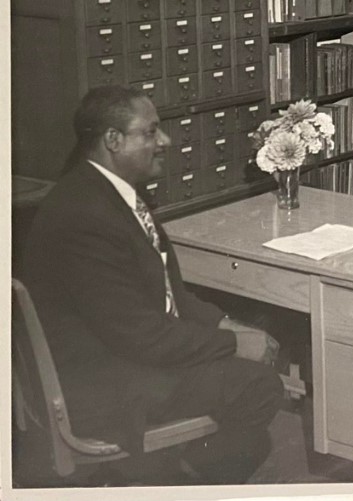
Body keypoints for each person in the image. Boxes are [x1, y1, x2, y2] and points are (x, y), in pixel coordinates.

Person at [20, 86, 284, 485]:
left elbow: (168, 294)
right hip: (100, 383)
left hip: (116, 355)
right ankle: (184, 484)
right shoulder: (85, 216)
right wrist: (232, 344)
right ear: (113, 140)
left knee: (250, 360)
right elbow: (139, 333)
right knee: (259, 387)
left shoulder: (108, 194)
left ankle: (178, 474)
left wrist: (227, 325)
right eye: (150, 132)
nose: (165, 141)